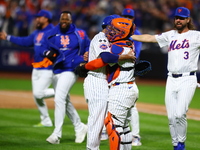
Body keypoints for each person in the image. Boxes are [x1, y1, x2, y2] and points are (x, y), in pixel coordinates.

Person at [129, 7, 199, 150]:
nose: (178, 20)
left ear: (188, 20)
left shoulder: (196, 35)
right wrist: (128, 36)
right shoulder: (170, 35)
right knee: (171, 117)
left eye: (181, 18)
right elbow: (149, 38)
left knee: (180, 114)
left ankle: (181, 143)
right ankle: (175, 145)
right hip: (171, 79)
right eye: (176, 18)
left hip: (188, 78)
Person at [82, 15, 136, 150]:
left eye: (115, 28)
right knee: (97, 118)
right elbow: (105, 57)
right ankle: (92, 148)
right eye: (111, 28)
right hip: (96, 80)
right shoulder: (101, 37)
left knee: (113, 122)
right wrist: (86, 65)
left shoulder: (114, 41)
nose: (112, 31)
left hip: (105, 81)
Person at [38, 10, 90, 144]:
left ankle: (56, 135)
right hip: (57, 69)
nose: (64, 22)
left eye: (67, 20)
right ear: (59, 20)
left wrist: (87, 54)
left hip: (72, 69)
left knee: (59, 98)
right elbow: (43, 47)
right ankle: (80, 127)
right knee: (65, 100)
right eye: (62, 20)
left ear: (71, 21)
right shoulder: (52, 33)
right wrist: (46, 52)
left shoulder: (80, 33)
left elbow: (89, 46)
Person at [0, 9, 55, 127]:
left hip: (47, 67)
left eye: (39, 17)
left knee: (38, 93)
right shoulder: (37, 32)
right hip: (36, 67)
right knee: (37, 96)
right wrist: (8, 37)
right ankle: (46, 120)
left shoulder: (53, 31)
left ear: (46, 19)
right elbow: (25, 41)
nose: (37, 19)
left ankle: (61, 92)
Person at [122, 8, 142, 146]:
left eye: (130, 17)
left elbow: (135, 54)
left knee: (132, 105)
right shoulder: (115, 32)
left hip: (128, 71)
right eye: (125, 16)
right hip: (114, 73)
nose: (127, 19)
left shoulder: (136, 34)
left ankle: (135, 135)